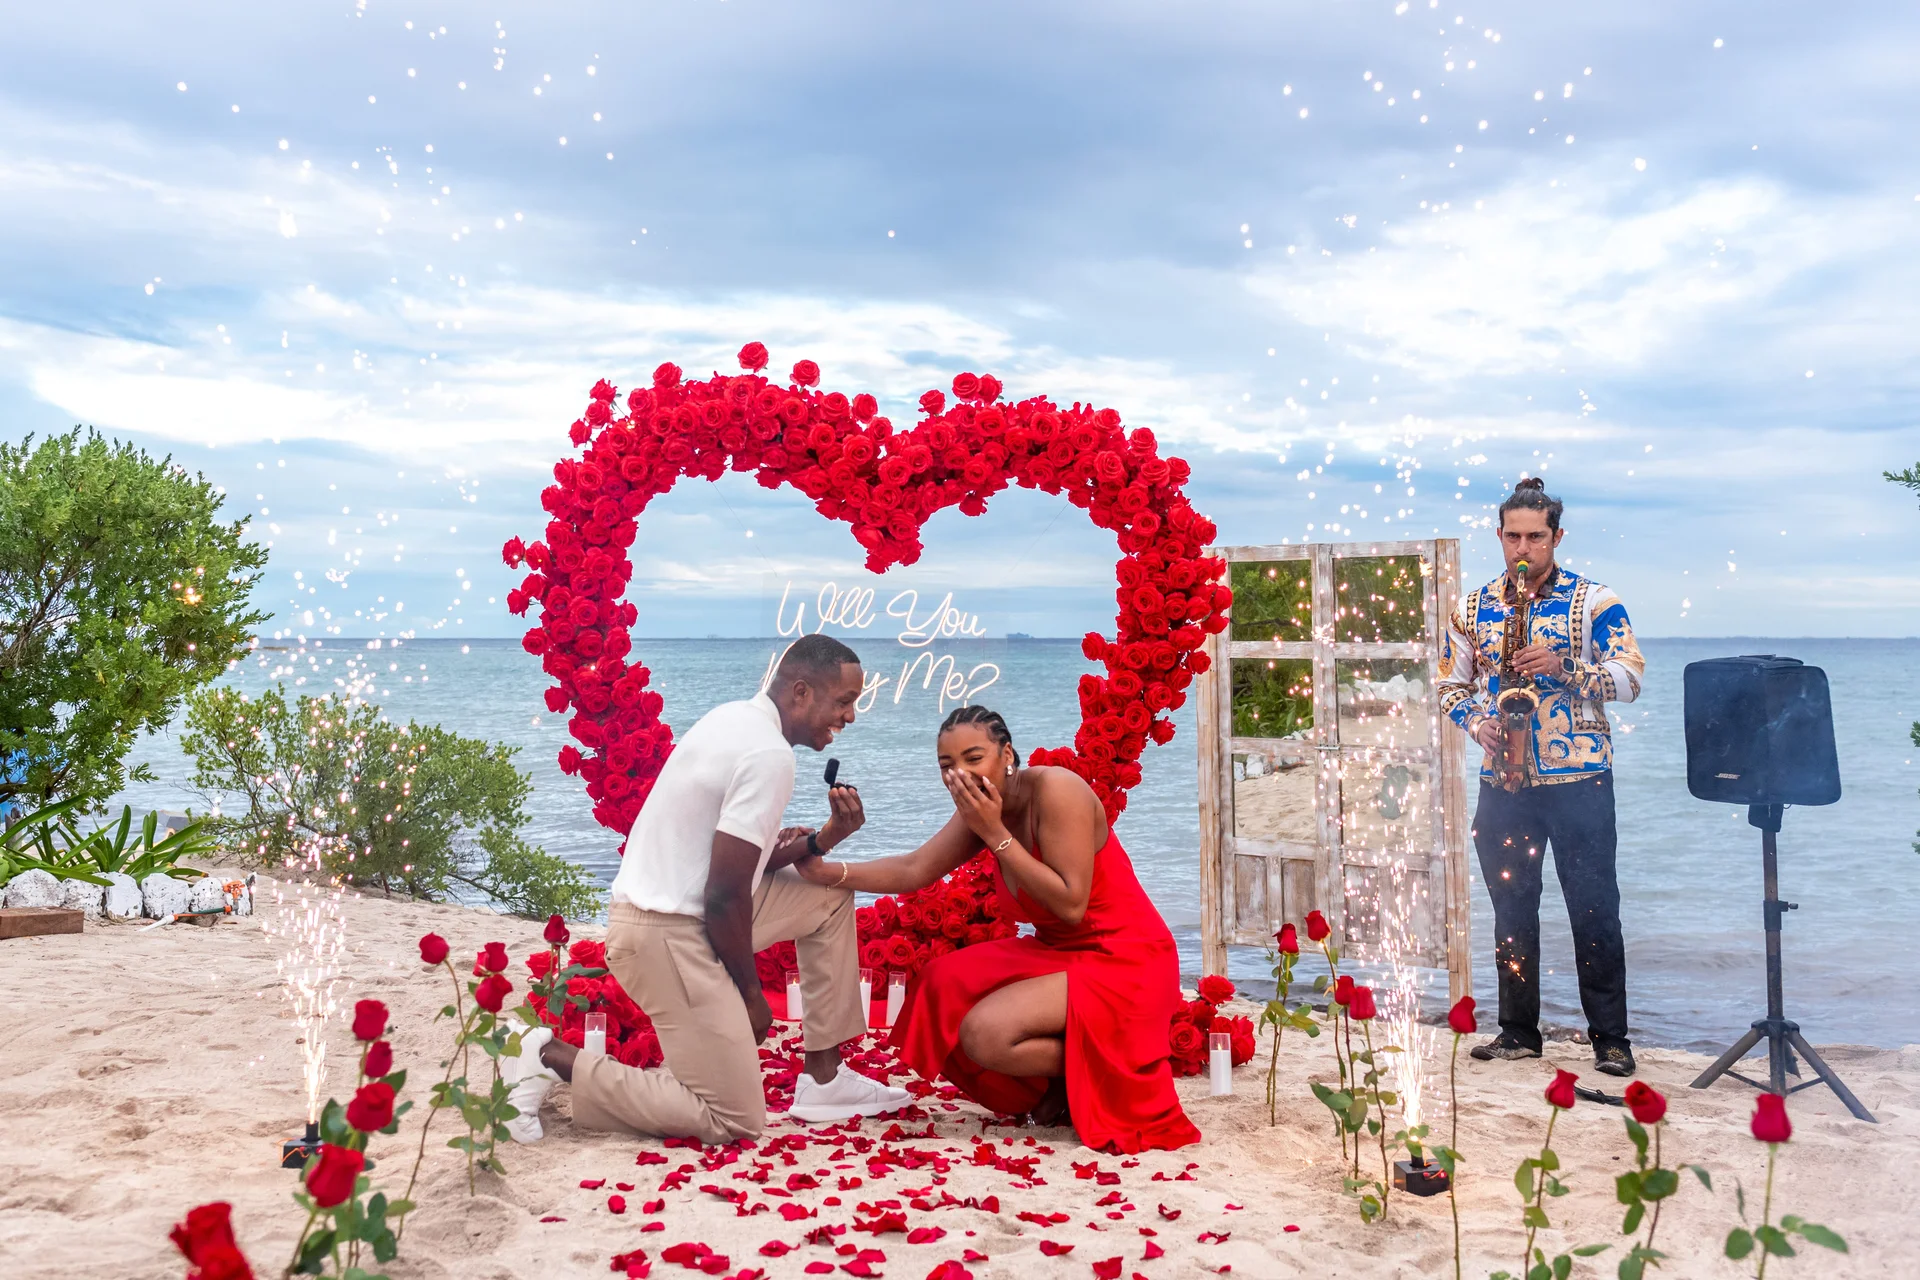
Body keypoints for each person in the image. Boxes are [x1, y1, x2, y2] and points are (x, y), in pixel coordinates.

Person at [500, 633, 912, 1143]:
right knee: (733, 1118)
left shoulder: (733, 718)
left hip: (675, 911)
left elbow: (725, 861)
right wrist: (751, 996)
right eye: (844, 701)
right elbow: (723, 894)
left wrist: (821, 841)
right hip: (664, 933)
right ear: (802, 692)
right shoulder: (770, 755)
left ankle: (825, 1079)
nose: (850, 716)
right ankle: (546, 1057)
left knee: (827, 896)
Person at [793, 705, 1201, 1153]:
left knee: (984, 1034)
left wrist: (995, 833)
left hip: (1127, 960)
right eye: (946, 765)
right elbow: (915, 868)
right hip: (1060, 952)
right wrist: (828, 871)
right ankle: (1061, 1086)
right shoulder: (983, 809)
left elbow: (1071, 905)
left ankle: (1090, 1074)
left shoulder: (1057, 791)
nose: (960, 775)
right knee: (938, 986)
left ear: (1007, 755)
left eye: (974, 758)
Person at [1436, 477, 1647, 1077]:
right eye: (1513, 537)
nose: (1523, 549)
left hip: (1581, 781)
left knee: (1594, 909)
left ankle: (1611, 1039)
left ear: (1557, 537)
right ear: (1499, 536)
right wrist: (1478, 724)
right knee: (1511, 911)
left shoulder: (1596, 601)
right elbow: (1449, 686)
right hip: (1503, 782)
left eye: (1535, 537)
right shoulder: (1472, 608)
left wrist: (1566, 667)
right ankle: (1518, 1032)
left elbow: (1631, 679)